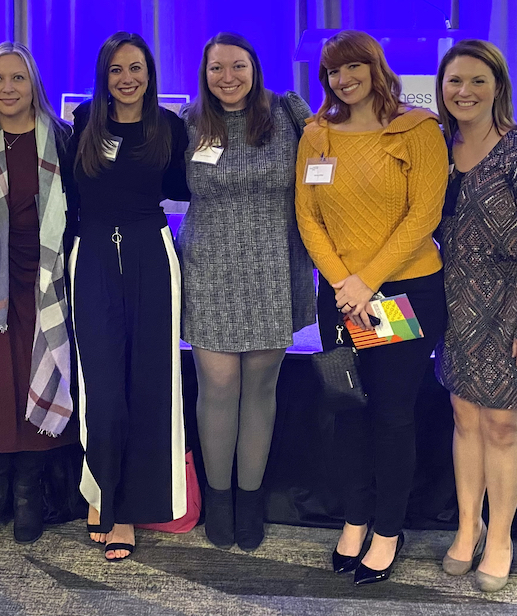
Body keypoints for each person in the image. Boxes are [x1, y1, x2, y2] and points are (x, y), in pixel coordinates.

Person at [294, 30, 447, 585]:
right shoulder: (317, 133)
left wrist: (367, 283)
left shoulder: (417, 129)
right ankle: (354, 518)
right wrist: (344, 283)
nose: (344, 79)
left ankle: (388, 527)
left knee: (390, 412)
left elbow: (423, 215)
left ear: (376, 67)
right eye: (334, 71)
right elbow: (308, 215)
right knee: (347, 408)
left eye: (354, 66)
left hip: (403, 293)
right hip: (341, 298)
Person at [432, 40, 517, 592]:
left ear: (498, 88)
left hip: (512, 311)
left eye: (477, 81)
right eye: (454, 81)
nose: (464, 92)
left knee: (504, 427)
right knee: (465, 423)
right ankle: (468, 527)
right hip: (455, 305)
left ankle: (502, 537)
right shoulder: (437, 147)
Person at [178, 32, 315, 552]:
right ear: (204, 74)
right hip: (210, 267)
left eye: (237, 66)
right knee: (216, 388)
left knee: (260, 390)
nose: (227, 78)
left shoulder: (288, 114)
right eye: (217, 69)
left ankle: (250, 498)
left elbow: (336, 157)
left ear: (254, 68)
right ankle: (218, 499)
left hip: (273, 267)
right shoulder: (188, 124)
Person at [69, 31, 191, 562]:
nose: (127, 78)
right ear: (104, 75)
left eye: (136, 67)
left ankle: (134, 508)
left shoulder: (170, 128)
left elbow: (192, 187)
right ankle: (102, 495)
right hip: (92, 252)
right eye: (116, 69)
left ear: (150, 73)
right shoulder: (82, 124)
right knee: (101, 384)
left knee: (151, 382)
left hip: (150, 253)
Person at [0, 42, 78, 548]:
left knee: (37, 379)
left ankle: (28, 496)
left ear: (34, 85)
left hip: (47, 280)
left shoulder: (64, 138)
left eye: (17, 78)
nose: (7, 88)